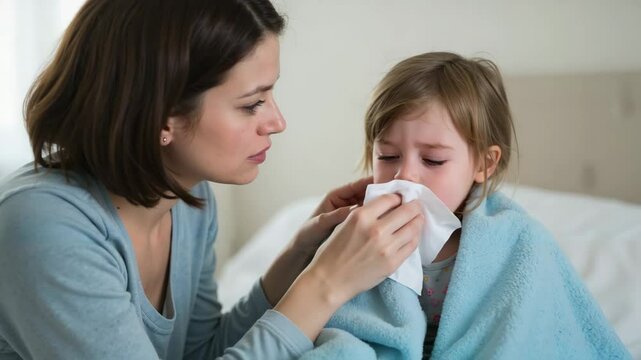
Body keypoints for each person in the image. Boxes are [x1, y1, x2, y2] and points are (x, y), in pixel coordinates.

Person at [0, 1, 425, 359]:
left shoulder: (187, 197)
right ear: (162, 116)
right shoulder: (44, 227)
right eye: (252, 103)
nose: (277, 122)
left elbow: (198, 352)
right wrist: (326, 285)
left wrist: (302, 256)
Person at [356, 51, 629, 358]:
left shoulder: (518, 243)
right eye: (387, 156)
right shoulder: (359, 236)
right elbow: (345, 325)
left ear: (484, 163)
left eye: (433, 160)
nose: (404, 174)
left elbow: (533, 330)